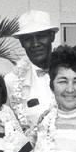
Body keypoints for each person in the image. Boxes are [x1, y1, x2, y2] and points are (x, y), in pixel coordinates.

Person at [5, 9, 58, 138]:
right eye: (28, 39)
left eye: (41, 36)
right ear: (22, 43)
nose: (35, 44)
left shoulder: (72, 72)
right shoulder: (11, 81)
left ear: (52, 36)